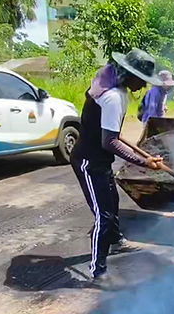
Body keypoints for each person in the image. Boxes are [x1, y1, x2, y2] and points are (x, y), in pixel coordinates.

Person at [71, 48, 167, 281]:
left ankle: (116, 241)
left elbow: (109, 133)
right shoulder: (113, 96)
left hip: (100, 159)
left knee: (112, 202)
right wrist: (144, 162)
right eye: (141, 80)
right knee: (103, 215)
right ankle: (97, 270)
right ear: (129, 74)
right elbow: (110, 142)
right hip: (88, 161)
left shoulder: (111, 82)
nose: (142, 86)